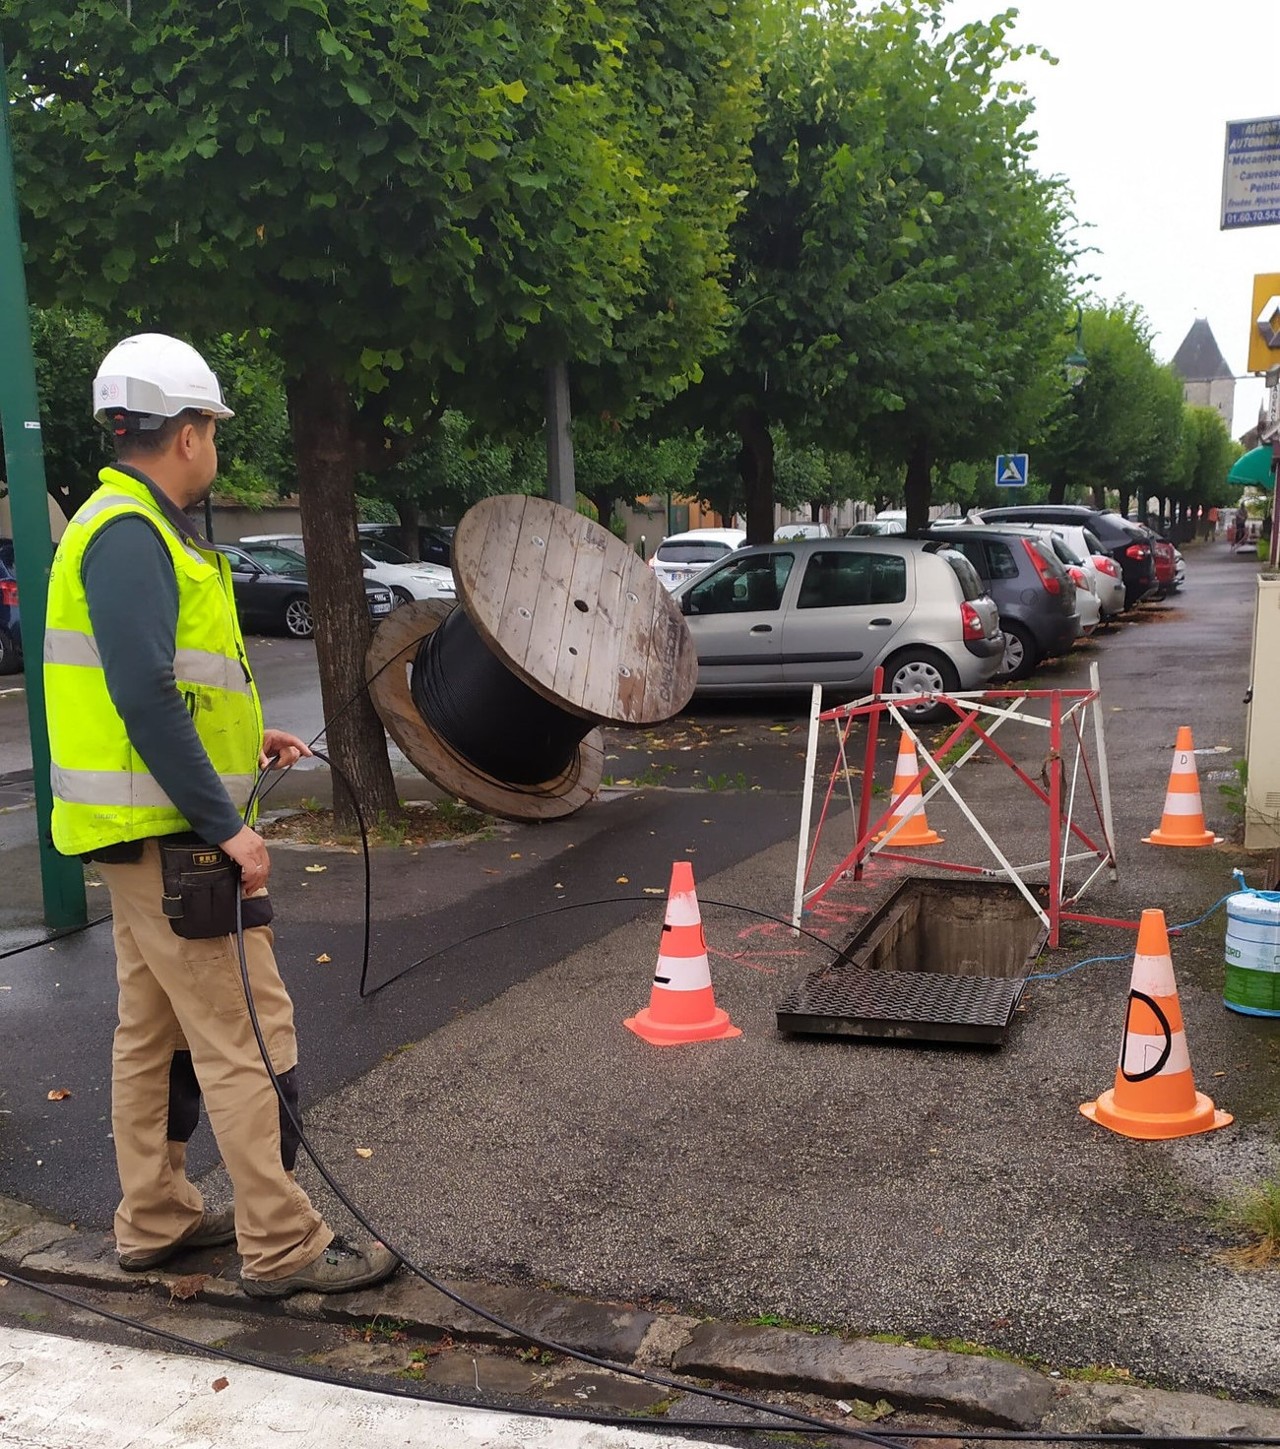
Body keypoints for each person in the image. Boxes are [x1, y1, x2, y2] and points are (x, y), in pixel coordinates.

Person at [43, 334, 399, 1299]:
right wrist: (226, 824)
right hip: (174, 846)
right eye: (212, 430)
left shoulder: (123, 526)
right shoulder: (130, 534)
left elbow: (174, 700)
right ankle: (283, 1244)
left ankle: (153, 1217)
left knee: (151, 1034)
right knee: (246, 1028)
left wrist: (249, 750)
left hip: (139, 841)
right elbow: (145, 697)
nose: (215, 450)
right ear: (187, 432)